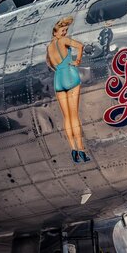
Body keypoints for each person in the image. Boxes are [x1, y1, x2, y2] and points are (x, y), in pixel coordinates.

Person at [46, 16, 90, 163]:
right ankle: (82, 150)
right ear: (55, 32)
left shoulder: (49, 47)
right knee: (74, 116)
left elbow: (50, 64)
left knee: (67, 118)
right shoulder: (63, 41)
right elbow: (80, 46)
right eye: (62, 30)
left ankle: (73, 150)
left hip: (58, 79)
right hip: (70, 76)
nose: (64, 33)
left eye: (65, 31)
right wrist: (77, 61)